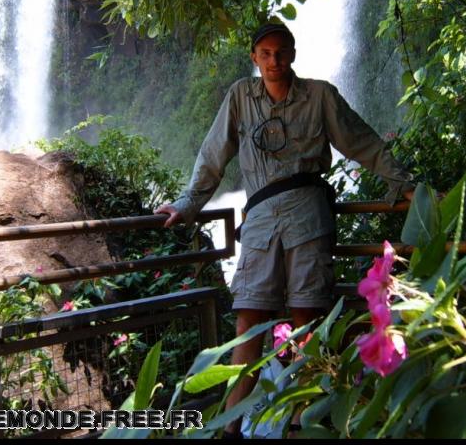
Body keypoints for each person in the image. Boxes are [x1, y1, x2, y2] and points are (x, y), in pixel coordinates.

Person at [154, 22, 415, 437]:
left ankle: (302, 423)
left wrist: (404, 183)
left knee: (306, 321)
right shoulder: (241, 95)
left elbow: (362, 142)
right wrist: (187, 204)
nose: (274, 61)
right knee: (248, 319)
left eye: (281, 52)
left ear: (293, 53)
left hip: (308, 219)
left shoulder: (320, 95)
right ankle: (231, 425)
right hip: (258, 222)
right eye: (266, 53)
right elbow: (213, 154)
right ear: (254, 57)